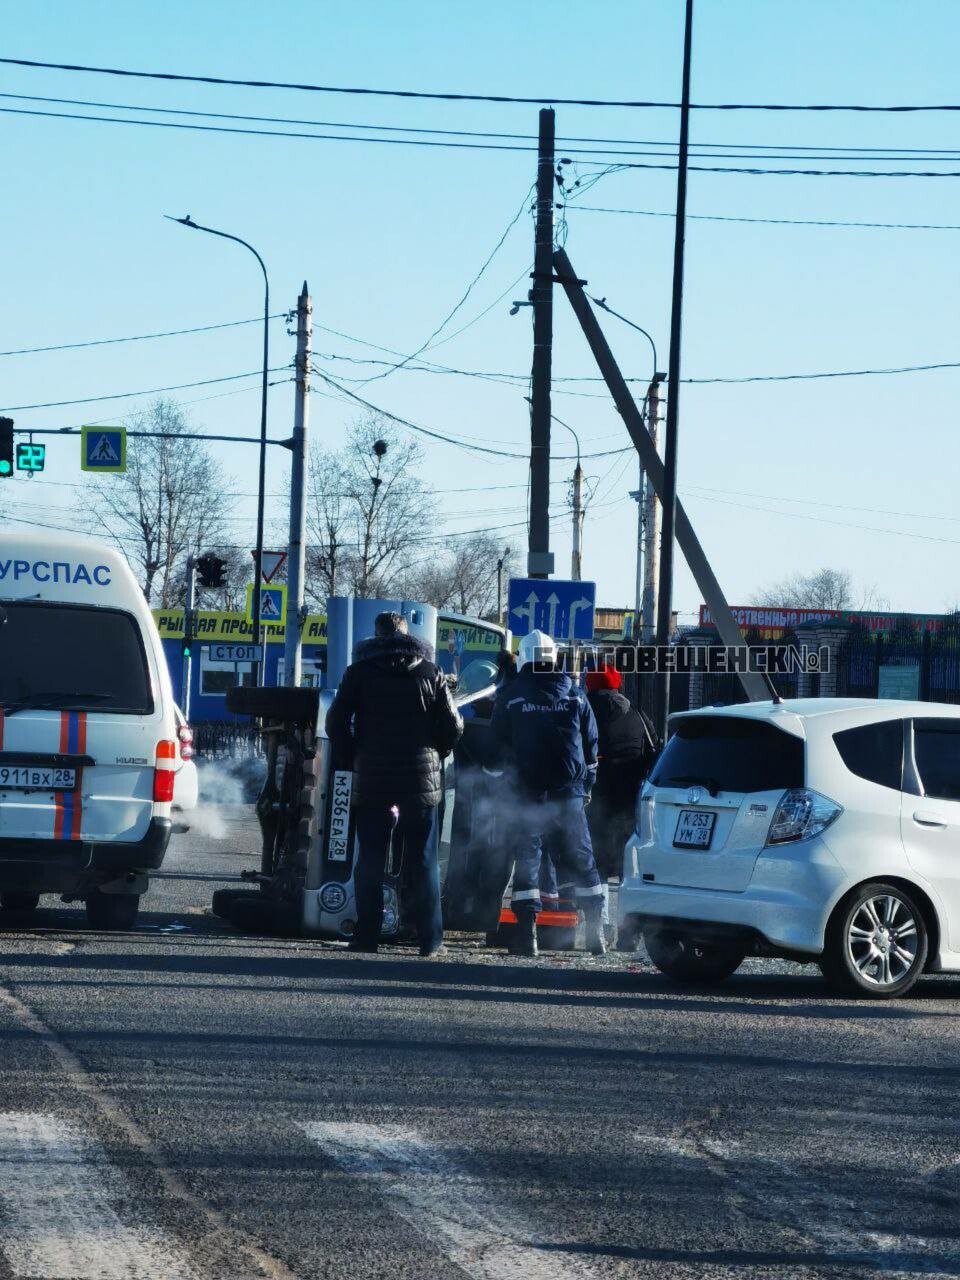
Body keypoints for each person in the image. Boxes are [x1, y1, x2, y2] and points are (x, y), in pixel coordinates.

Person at [325, 611, 463, 957]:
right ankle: (430, 940)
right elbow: (454, 726)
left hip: (373, 779)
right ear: (407, 635)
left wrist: (351, 754)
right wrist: (436, 751)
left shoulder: (358, 673)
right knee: (423, 860)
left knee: (370, 858)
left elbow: (335, 721)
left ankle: (366, 937)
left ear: (376, 636)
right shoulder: (431, 673)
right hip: (421, 781)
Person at [490, 629, 605, 958]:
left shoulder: (511, 694)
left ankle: (528, 937)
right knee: (583, 859)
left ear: (524, 657)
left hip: (527, 793)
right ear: (553, 657)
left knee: (528, 861)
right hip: (569, 792)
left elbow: (498, 748)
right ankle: (594, 933)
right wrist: (586, 787)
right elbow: (592, 744)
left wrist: (500, 785)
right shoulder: (575, 692)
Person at [584, 665, 659, 879]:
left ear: (590, 684)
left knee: (595, 853)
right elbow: (653, 748)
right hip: (629, 791)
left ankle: (599, 904)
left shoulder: (584, 710)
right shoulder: (637, 713)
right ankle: (628, 894)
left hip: (595, 792)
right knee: (627, 849)